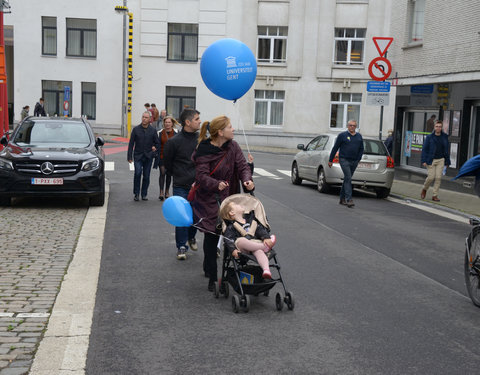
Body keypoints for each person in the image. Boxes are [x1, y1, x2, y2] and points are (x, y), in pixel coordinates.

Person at [191, 115, 254, 291]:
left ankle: (228, 273)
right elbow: (201, 176)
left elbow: (242, 166)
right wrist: (215, 184)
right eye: (230, 127)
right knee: (212, 235)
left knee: (231, 235)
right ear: (220, 132)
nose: (233, 129)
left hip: (230, 198)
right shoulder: (204, 150)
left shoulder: (233, 146)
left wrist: (247, 180)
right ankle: (212, 275)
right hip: (209, 199)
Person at [163, 108, 201, 260]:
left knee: (197, 216)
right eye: (197, 119)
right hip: (181, 185)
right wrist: (179, 175)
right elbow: (168, 163)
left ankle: (191, 236)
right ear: (188, 122)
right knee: (181, 217)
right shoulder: (174, 142)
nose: (199, 121)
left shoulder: (201, 140)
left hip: (198, 185)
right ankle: (181, 246)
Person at [220, 201, 275, 279]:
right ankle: (264, 247)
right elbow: (228, 240)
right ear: (232, 212)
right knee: (241, 240)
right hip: (242, 248)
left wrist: (266, 237)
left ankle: (266, 270)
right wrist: (233, 250)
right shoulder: (231, 227)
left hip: (254, 246)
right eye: (236, 204)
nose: (240, 204)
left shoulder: (251, 222)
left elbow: (260, 230)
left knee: (259, 252)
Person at [328, 120, 364, 208]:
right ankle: (349, 199)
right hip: (344, 159)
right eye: (350, 125)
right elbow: (335, 148)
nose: (352, 127)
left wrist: (358, 159)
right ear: (347, 126)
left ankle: (342, 198)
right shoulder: (342, 136)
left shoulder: (359, 136)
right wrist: (330, 160)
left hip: (354, 160)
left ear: (356, 127)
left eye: (354, 126)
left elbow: (361, 148)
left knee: (347, 179)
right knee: (348, 177)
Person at [127, 111, 160, 201]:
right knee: (137, 173)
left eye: (146, 117)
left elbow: (157, 143)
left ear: (150, 119)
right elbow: (131, 144)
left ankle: (144, 194)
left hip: (148, 156)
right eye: (143, 117)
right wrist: (129, 156)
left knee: (146, 176)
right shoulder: (136, 129)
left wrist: (154, 148)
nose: (144, 119)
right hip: (138, 155)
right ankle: (136, 193)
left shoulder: (153, 130)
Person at [420, 120, 451, 202]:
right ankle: (424, 189)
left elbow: (446, 150)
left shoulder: (444, 137)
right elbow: (424, 149)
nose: (438, 128)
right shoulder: (429, 137)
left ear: (441, 128)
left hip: (441, 160)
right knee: (431, 177)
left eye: (440, 127)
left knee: (438, 178)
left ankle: (435, 195)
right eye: (437, 126)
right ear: (434, 127)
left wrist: (447, 161)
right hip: (431, 160)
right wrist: (423, 160)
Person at [157, 116, 178, 200]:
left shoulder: (176, 133)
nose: (167, 124)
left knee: (169, 174)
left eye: (169, 122)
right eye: (166, 122)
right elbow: (156, 143)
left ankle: (167, 191)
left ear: (172, 123)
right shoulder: (160, 133)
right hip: (162, 156)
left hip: (171, 157)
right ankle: (161, 192)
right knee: (162, 173)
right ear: (164, 123)